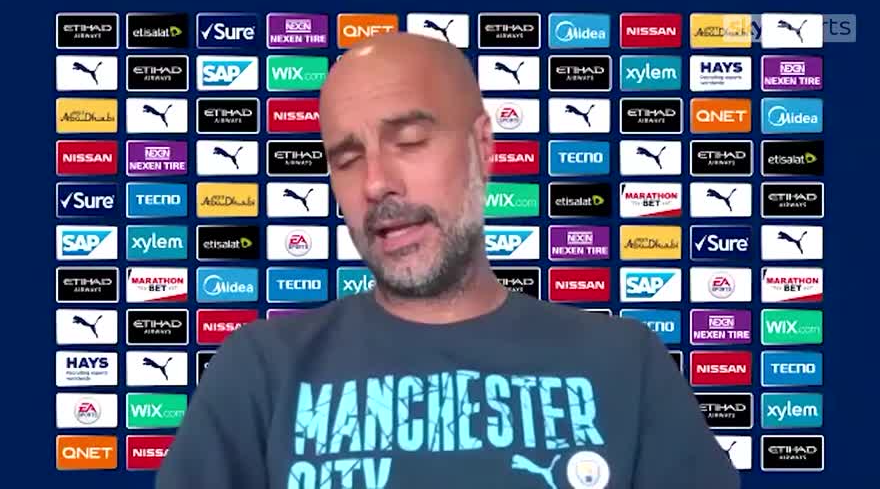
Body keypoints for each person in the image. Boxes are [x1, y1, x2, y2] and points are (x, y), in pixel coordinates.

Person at [155, 32, 740, 489]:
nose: (376, 183)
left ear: (482, 148)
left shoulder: (624, 362)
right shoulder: (262, 370)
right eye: (348, 158)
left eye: (409, 141)